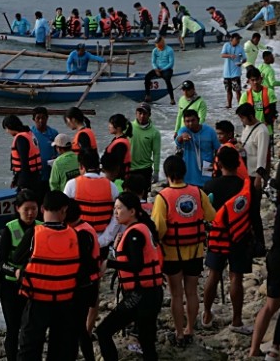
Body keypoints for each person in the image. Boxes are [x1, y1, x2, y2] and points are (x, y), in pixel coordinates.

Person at [13, 190, 95, 361]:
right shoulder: (75, 236)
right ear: (64, 210)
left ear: (43, 209)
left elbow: (16, 258)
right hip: (65, 302)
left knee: (29, 349)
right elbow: (88, 269)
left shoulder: (34, 234)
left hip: (37, 301)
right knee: (61, 351)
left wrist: (22, 271)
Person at [151, 155, 216, 348]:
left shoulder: (163, 197)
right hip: (195, 251)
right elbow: (212, 216)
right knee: (192, 293)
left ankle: (179, 333)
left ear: (167, 174)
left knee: (176, 295)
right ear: (184, 172)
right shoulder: (197, 192)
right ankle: (190, 329)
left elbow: (159, 228)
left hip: (172, 252)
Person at [96, 193, 164, 361]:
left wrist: (109, 264)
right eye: (114, 209)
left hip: (141, 295)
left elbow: (136, 265)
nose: (116, 213)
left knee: (103, 331)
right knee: (146, 341)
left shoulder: (135, 234)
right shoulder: (138, 229)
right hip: (150, 293)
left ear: (132, 211)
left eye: (119, 208)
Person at [202, 147, 255, 334]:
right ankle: (237, 321)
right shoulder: (246, 186)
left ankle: (207, 314)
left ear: (219, 164)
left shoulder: (210, 186)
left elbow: (205, 215)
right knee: (236, 278)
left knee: (213, 274)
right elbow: (253, 216)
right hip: (239, 237)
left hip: (217, 237)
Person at [0, 190, 41, 361]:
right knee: (13, 328)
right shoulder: (10, 229)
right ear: (17, 209)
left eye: (34, 209)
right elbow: (1, 263)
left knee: (31, 328)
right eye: (26, 209)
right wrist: (16, 272)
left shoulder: (41, 227)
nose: (30, 213)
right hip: (10, 287)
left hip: (33, 286)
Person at [252, 165, 280, 358]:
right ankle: (274, 346)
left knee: (271, 305)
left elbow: (276, 238)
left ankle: (254, 349)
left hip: (276, 258)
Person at [64, 201, 102, 361]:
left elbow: (81, 264)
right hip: (90, 283)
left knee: (77, 329)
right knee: (78, 328)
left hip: (84, 286)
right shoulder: (85, 227)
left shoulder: (81, 234)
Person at [64, 149, 120, 249]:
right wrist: (105, 239)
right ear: (98, 166)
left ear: (81, 166)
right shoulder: (112, 187)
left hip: (77, 239)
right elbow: (117, 217)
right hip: (103, 241)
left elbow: (63, 213)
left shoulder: (71, 185)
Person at [237, 101, 271, 254]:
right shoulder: (247, 128)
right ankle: (251, 242)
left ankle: (260, 245)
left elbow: (262, 156)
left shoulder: (261, 131)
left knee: (254, 212)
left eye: (242, 118)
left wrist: (259, 177)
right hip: (245, 175)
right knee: (247, 211)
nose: (241, 121)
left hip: (253, 175)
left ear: (250, 117)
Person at [174, 108, 220, 187]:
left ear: (198, 119)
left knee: (206, 188)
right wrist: (181, 138)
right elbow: (178, 142)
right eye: (187, 121)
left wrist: (215, 166)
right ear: (184, 122)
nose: (190, 123)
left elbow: (217, 149)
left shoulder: (210, 131)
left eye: (193, 120)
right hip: (189, 170)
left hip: (207, 166)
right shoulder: (183, 130)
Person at [3, 115, 42, 197]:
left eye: (6, 129)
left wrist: (23, 185)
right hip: (36, 176)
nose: (7, 132)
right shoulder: (29, 134)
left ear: (10, 126)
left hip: (28, 179)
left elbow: (24, 162)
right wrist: (16, 179)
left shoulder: (21, 138)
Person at [130, 103, 161, 193]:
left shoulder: (155, 132)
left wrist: (156, 171)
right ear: (136, 114)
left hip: (145, 169)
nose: (142, 116)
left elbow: (156, 153)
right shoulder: (128, 127)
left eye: (145, 113)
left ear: (149, 115)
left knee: (143, 198)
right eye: (140, 113)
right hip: (129, 169)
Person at [241, 65, 278, 132]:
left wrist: (265, 124)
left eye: (257, 79)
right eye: (252, 80)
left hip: (267, 130)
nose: (255, 82)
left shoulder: (269, 92)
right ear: (248, 81)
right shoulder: (245, 95)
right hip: (251, 130)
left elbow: (273, 111)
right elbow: (241, 114)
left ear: (261, 79)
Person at [29, 107, 58, 184]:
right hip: (34, 173)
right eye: (38, 118)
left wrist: (56, 157)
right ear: (33, 119)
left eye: (43, 118)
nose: (41, 121)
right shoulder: (29, 133)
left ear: (47, 118)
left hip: (50, 172)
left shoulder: (53, 133)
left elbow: (59, 151)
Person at [144, 35, 176, 104]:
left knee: (167, 80)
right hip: (157, 69)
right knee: (147, 77)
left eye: (158, 43)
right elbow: (153, 61)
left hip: (167, 69)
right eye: (156, 43)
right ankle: (148, 95)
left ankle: (172, 98)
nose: (157, 45)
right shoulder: (155, 50)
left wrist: (162, 70)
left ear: (162, 42)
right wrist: (156, 69)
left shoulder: (169, 50)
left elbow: (171, 63)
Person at [220, 33, 249, 109]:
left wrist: (242, 62)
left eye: (239, 40)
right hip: (226, 73)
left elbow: (245, 58)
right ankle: (229, 105)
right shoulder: (226, 45)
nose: (238, 41)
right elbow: (222, 55)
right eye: (237, 39)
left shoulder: (240, 48)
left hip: (236, 72)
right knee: (228, 90)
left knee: (237, 90)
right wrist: (230, 55)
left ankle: (240, 105)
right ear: (231, 39)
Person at [103, 113, 132, 181]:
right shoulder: (118, 140)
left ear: (118, 127)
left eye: (111, 124)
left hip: (118, 179)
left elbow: (118, 163)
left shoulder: (120, 144)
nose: (109, 126)